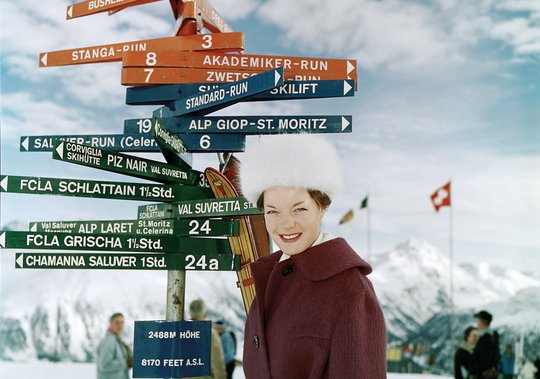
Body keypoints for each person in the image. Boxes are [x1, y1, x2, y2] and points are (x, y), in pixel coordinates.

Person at [239, 134, 387, 379]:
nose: (286, 223)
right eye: (273, 211)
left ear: (321, 207)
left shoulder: (351, 291)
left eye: (299, 209)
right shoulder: (270, 279)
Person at [184, 299, 226, 379]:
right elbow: (217, 363)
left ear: (190, 312)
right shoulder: (210, 333)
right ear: (205, 313)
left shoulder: (180, 331)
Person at [96, 312, 132, 379]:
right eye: (117, 322)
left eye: (122, 322)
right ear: (110, 324)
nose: (120, 325)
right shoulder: (108, 341)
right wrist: (126, 363)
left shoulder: (118, 342)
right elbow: (105, 365)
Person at [469, 310, 500, 379]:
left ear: (484, 322)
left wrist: (472, 370)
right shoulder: (493, 336)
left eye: (479, 320)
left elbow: (483, 360)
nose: (477, 322)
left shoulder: (486, 338)